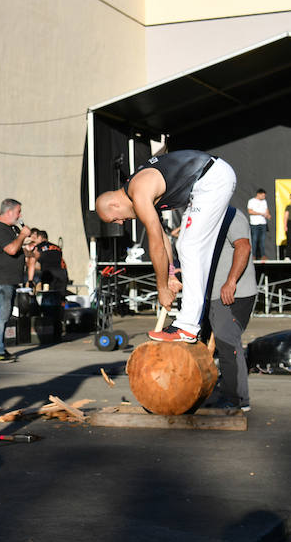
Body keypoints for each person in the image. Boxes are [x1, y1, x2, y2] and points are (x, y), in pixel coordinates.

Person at [95, 149, 237, 343]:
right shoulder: (140, 194)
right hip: (206, 181)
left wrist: (162, 288)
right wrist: (170, 275)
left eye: (114, 220)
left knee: (190, 246)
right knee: (185, 245)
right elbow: (162, 239)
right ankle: (190, 323)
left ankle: (188, 326)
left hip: (211, 178)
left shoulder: (139, 191)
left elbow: (156, 244)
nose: (120, 223)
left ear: (114, 205)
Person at [184, 206, 256, 412]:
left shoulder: (232, 215)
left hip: (233, 293)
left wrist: (231, 282)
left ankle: (237, 399)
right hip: (212, 294)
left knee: (227, 344)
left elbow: (243, 247)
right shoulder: (208, 216)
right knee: (199, 342)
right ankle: (197, 391)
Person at [0, 199, 29, 361]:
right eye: (18, 212)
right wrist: (23, 235)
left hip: (7, 279)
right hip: (0, 280)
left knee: (3, 314)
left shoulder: (8, 228)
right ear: (9, 212)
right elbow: (11, 249)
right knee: (2, 315)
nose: (20, 215)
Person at [246, 188, 271, 261]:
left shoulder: (264, 201)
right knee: (254, 240)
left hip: (263, 223)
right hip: (254, 223)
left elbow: (266, 210)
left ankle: (263, 255)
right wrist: (260, 213)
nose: (264, 197)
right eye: (263, 195)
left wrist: (268, 215)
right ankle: (253, 255)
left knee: (262, 240)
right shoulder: (251, 201)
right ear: (258, 194)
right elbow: (250, 211)